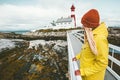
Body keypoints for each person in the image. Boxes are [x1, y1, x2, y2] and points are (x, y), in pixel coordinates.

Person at [73, 9, 109, 80]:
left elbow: (102, 64)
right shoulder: (90, 35)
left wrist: (83, 71)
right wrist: (77, 57)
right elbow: (87, 50)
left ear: (90, 25)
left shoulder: (99, 39)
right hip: (86, 75)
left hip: (92, 77)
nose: (82, 26)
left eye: (84, 24)